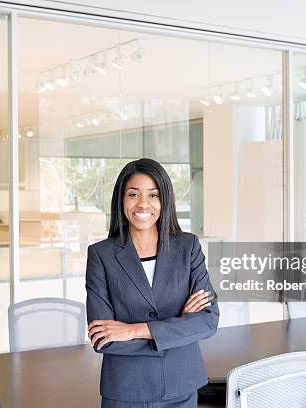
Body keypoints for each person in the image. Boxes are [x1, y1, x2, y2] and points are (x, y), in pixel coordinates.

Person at [86, 158, 219, 407]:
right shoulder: (101, 255)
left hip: (181, 386)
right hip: (126, 391)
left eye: (153, 195)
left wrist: (133, 329)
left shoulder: (188, 247)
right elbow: (103, 338)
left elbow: (208, 321)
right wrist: (179, 326)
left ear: (164, 200)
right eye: (133, 194)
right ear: (121, 200)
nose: (143, 204)